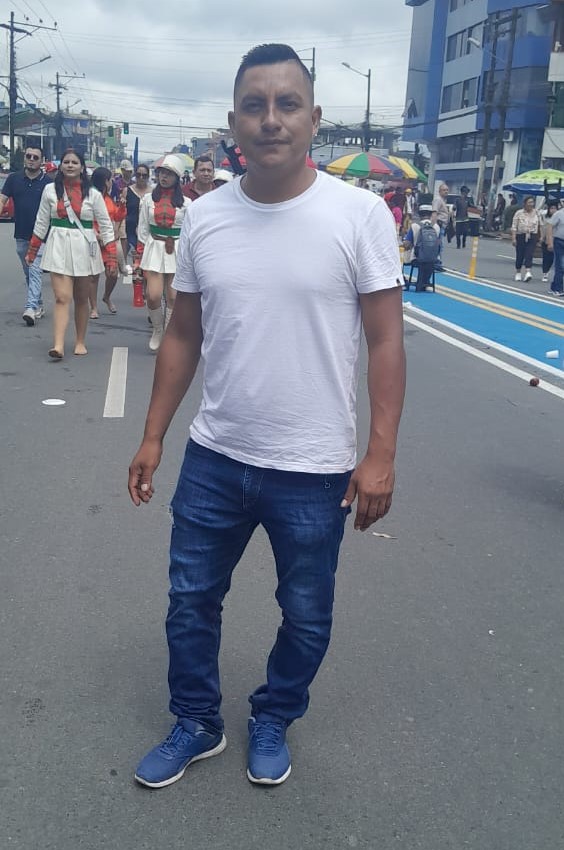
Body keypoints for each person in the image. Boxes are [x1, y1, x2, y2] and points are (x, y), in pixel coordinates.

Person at [128, 42, 405, 790]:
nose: (271, 119)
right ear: (233, 124)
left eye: (288, 104)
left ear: (314, 119)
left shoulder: (359, 215)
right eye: (255, 106)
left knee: (307, 616)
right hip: (215, 456)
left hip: (314, 470)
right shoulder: (204, 217)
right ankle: (197, 720)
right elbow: (183, 334)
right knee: (189, 602)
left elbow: (385, 340)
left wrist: (380, 453)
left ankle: (275, 714)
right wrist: (153, 436)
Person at [25, 148, 117, 359]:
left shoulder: (93, 194)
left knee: (81, 298)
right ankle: (58, 345)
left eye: (74, 162)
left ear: (82, 167)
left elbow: (105, 226)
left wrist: (111, 257)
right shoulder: (50, 190)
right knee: (61, 297)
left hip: (84, 247)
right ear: (61, 166)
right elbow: (41, 222)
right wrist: (32, 250)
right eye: (66, 162)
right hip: (57, 245)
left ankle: (80, 341)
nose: (70, 165)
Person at [135, 154, 191, 351]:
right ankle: (157, 329)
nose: (164, 177)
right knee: (153, 295)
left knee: (174, 297)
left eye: (169, 174)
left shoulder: (187, 203)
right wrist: (139, 255)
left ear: (177, 177)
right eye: (162, 173)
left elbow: (189, 232)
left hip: (176, 249)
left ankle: (168, 333)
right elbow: (143, 228)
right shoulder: (148, 199)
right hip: (155, 247)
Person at [0, 144, 52, 326]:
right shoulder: (14, 179)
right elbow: (2, 199)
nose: (31, 160)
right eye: (28, 156)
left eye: (35, 157)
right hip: (21, 234)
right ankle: (39, 304)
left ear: (41, 161)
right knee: (28, 271)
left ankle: (30, 307)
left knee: (35, 268)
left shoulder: (48, 184)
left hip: (41, 236)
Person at [88, 167, 127, 317]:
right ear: (105, 181)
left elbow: (117, 216)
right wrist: (96, 235)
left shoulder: (109, 199)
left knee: (113, 273)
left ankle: (106, 296)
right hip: (94, 240)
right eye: (110, 179)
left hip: (108, 241)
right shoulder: (90, 197)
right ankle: (93, 307)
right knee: (93, 276)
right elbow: (85, 218)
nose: (112, 182)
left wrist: (122, 206)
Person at [402, 204, 440, 290]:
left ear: (419, 214)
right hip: (433, 259)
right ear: (430, 214)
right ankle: (425, 281)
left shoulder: (414, 226)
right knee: (428, 262)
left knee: (401, 257)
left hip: (417, 259)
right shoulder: (436, 227)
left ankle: (404, 281)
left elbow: (407, 244)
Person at [511, 196, 540, 282]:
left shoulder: (537, 213)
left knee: (529, 253)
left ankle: (528, 271)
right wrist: (514, 238)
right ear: (525, 204)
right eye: (529, 202)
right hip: (521, 235)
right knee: (520, 254)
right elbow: (514, 226)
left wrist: (541, 237)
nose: (531, 204)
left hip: (532, 235)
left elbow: (540, 225)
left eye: (532, 202)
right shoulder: (519, 213)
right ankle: (518, 272)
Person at [125, 163, 152, 254]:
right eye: (138, 175)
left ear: (148, 177)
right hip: (130, 231)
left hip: (148, 232)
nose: (141, 178)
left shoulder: (153, 193)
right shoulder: (127, 191)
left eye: (144, 175)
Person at [545, 199, 564, 296]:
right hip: (559, 241)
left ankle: (554, 287)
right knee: (560, 265)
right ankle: (558, 289)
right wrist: (550, 242)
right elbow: (549, 226)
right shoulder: (559, 214)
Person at [539, 199, 559, 285]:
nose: (553, 210)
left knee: (552, 258)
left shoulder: (559, 217)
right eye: (551, 208)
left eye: (555, 208)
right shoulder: (545, 216)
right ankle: (545, 273)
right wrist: (542, 237)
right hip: (546, 239)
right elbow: (543, 227)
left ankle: (548, 272)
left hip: (556, 240)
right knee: (546, 257)